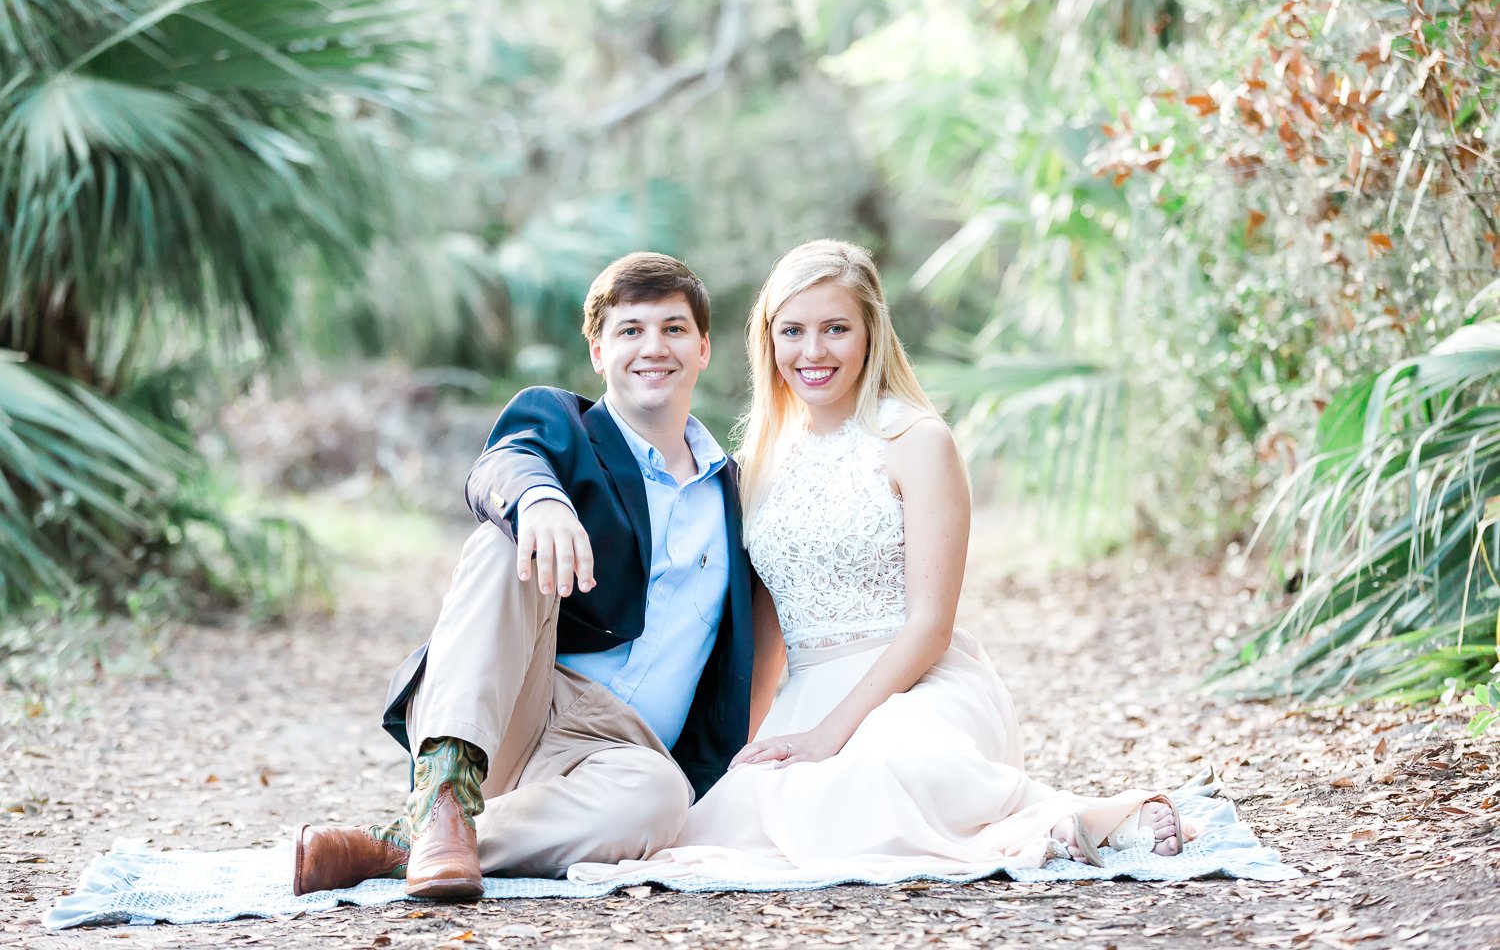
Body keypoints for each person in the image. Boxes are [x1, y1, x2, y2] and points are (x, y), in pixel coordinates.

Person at [571, 239, 1190, 886]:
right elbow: (767, 639)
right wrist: (737, 755)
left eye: (836, 329)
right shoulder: (758, 466)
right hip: (808, 697)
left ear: (871, 334)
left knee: (881, 773)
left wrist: (829, 736)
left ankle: (1090, 819)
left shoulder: (917, 441)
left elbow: (931, 627)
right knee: (732, 820)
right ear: (769, 342)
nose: (813, 353)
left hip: (917, 685)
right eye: (794, 332)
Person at [293, 253, 754, 899]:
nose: (654, 347)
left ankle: (404, 841)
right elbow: (506, 460)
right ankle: (446, 788)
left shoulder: (736, 493)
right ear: (598, 352)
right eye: (631, 330)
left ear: (703, 348)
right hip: (521, 702)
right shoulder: (563, 427)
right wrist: (539, 500)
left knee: (659, 799)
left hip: (622, 758)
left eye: (674, 329)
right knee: (502, 543)